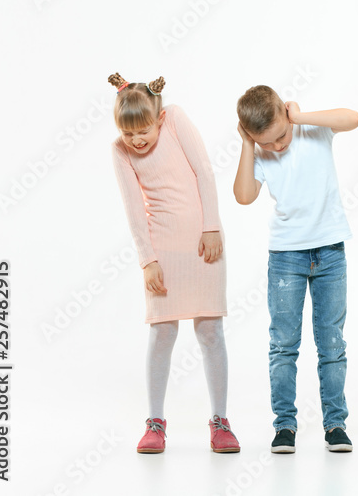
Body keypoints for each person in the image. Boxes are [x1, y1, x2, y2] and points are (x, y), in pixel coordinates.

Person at [109, 73, 239, 454]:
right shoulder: (119, 151)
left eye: (143, 130)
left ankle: (220, 420)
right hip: (162, 249)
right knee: (162, 333)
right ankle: (155, 421)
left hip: (203, 244)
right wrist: (147, 260)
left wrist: (212, 226)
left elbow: (204, 171)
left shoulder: (176, 118)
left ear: (159, 117)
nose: (137, 139)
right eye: (129, 133)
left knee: (210, 330)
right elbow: (134, 209)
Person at [233, 86, 358, 454]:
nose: (277, 147)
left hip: (329, 251)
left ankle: (335, 424)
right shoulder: (259, 151)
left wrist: (298, 118)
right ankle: (284, 426)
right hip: (287, 255)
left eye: (281, 136)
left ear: (287, 117)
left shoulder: (310, 129)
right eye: (266, 142)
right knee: (284, 345)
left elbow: (353, 118)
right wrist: (248, 144)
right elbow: (243, 196)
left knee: (332, 343)